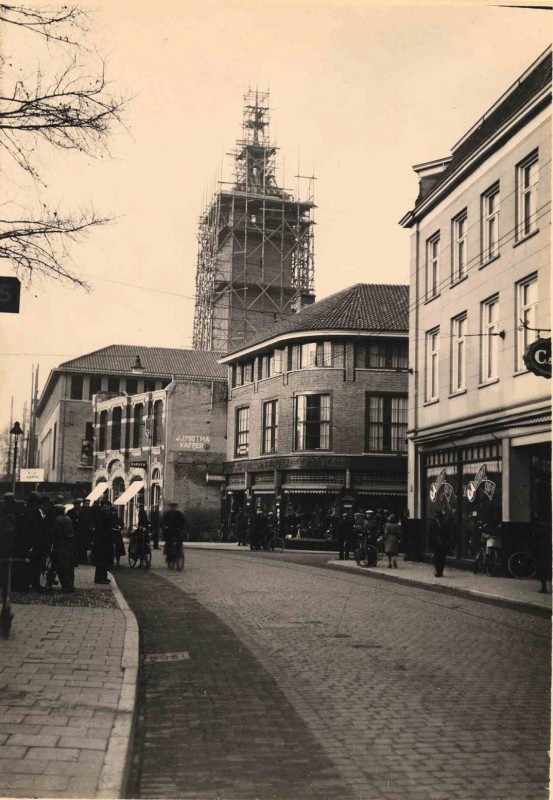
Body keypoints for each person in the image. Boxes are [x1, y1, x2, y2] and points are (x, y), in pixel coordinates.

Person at [52, 505, 76, 592]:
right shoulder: (68, 518)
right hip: (69, 545)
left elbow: (57, 533)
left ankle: (66, 586)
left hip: (61, 545)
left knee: (61, 566)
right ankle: (71, 584)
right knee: (69, 566)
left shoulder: (57, 520)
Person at [91, 502, 114, 585]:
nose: (106, 508)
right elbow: (100, 528)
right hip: (101, 541)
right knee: (100, 560)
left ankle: (104, 577)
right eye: (104, 507)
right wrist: (106, 536)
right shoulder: (100, 516)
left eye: (107, 507)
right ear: (101, 507)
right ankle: (99, 578)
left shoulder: (108, 515)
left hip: (106, 541)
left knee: (105, 560)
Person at [533, 517, 551, 594]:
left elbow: (536, 539)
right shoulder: (548, 530)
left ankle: (544, 588)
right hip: (546, 551)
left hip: (542, 551)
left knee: (542, 569)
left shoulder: (540, 529)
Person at [432, 513, 448, 578]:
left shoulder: (444, 525)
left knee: (441, 559)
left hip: (442, 544)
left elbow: (446, 534)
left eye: (438, 518)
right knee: (437, 558)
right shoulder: (434, 525)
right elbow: (432, 534)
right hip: (437, 545)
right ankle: (438, 572)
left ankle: (440, 572)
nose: (437, 520)